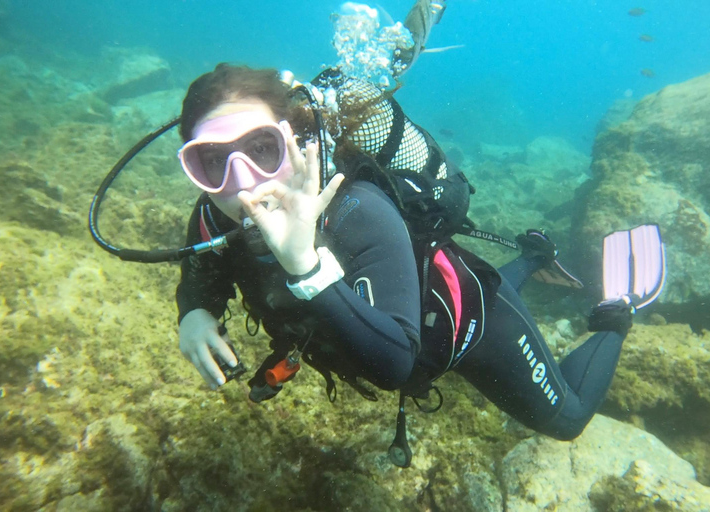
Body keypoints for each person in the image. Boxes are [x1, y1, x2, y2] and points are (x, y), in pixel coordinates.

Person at [174, 61, 665, 449]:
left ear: (294, 139)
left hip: (468, 322)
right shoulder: (217, 214)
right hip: (424, 295)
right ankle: (534, 256)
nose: (240, 183)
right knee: (492, 284)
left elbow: (393, 365)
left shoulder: (357, 212)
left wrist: (307, 267)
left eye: (261, 149)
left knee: (569, 419)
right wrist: (195, 312)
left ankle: (615, 316)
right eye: (212, 161)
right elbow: (203, 269)